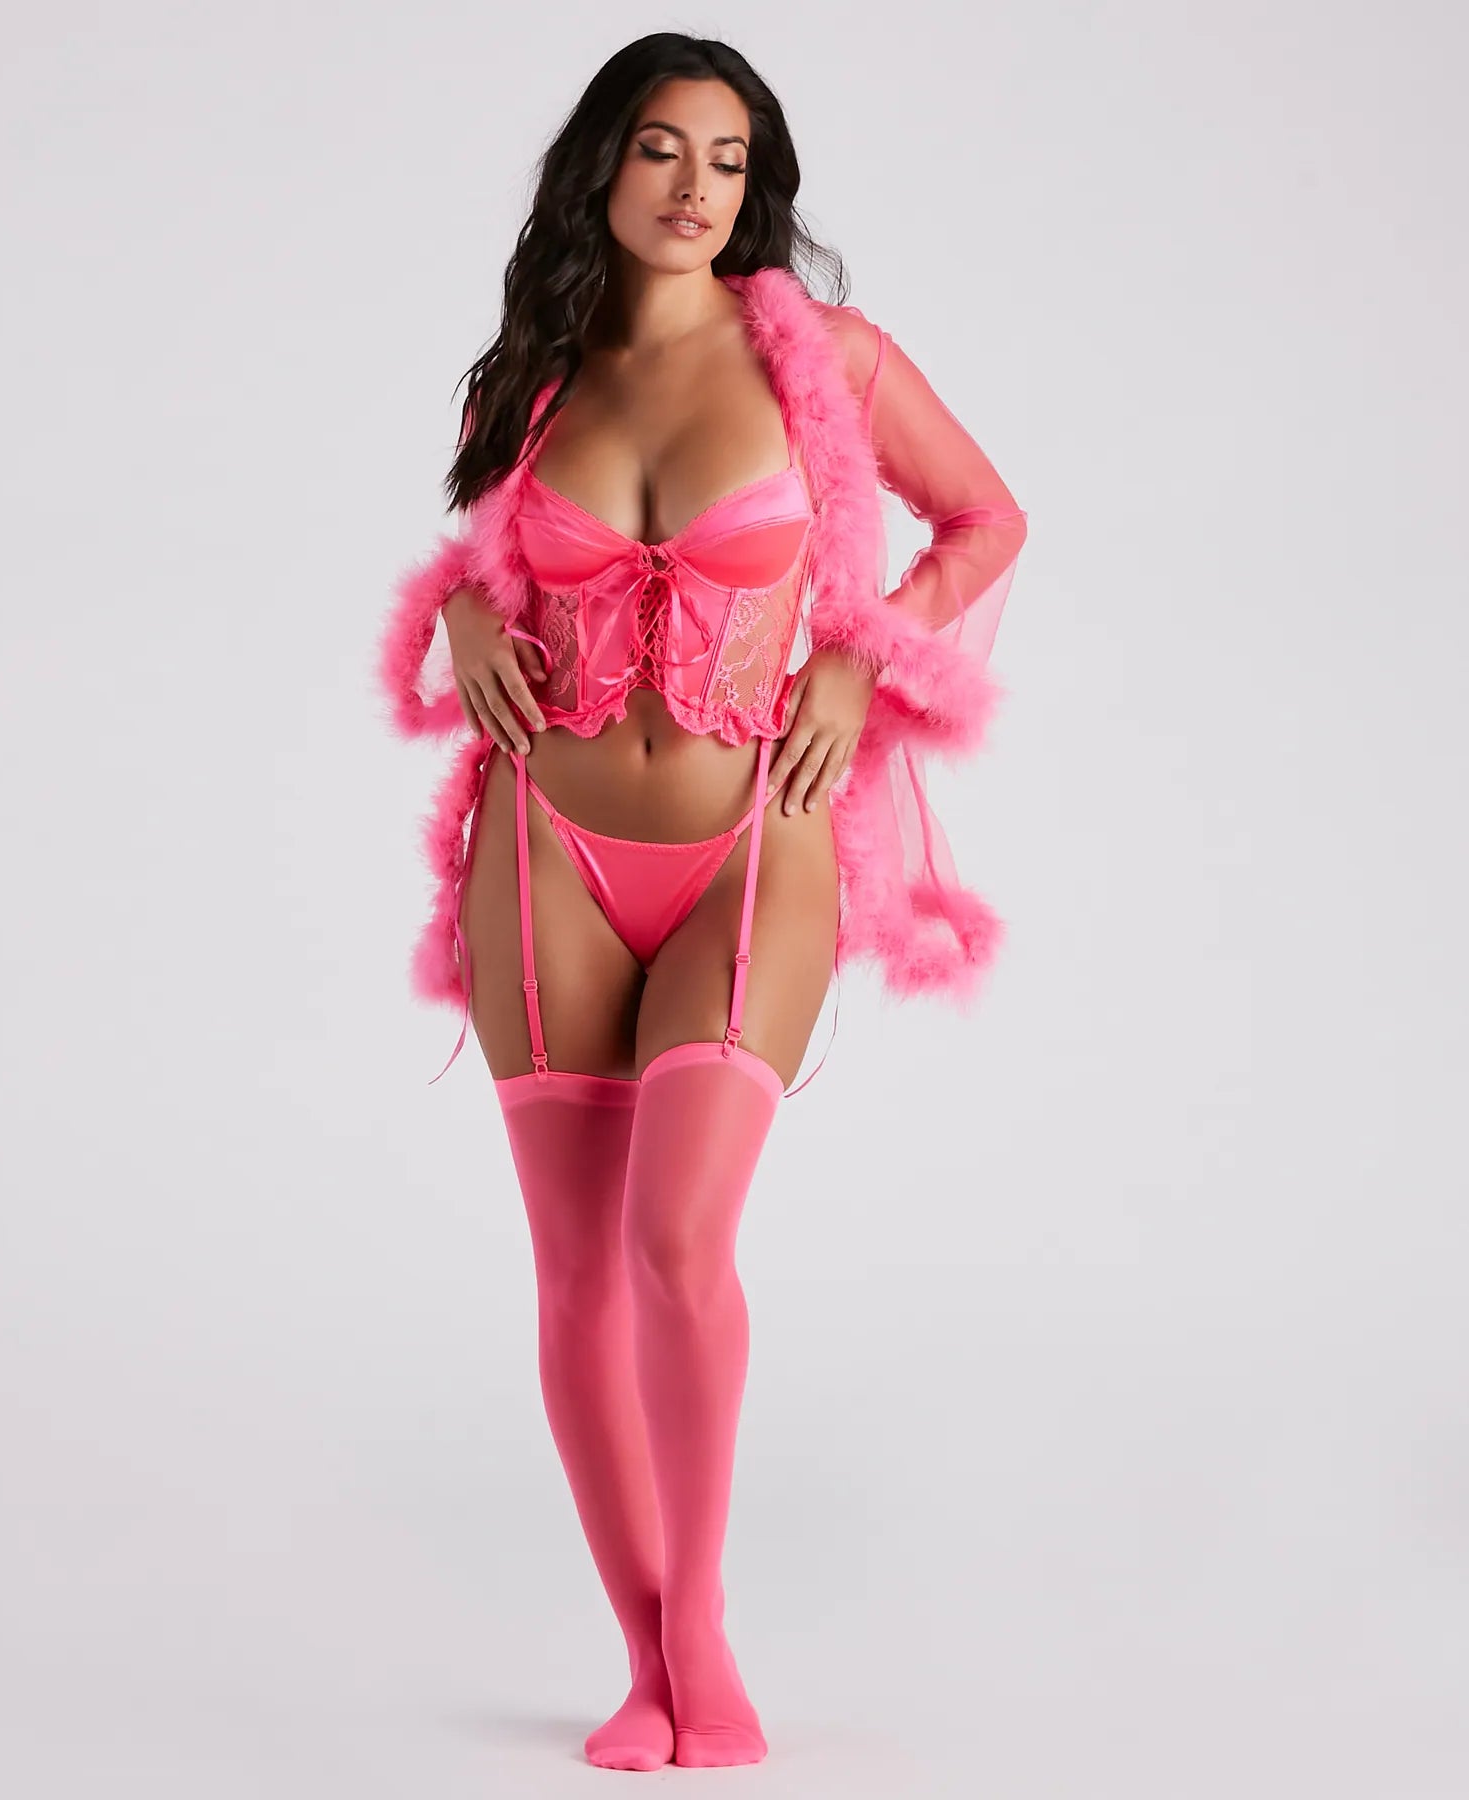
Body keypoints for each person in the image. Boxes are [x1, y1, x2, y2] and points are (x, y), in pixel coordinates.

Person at [377, 33, 1028, 1772]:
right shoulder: (531, 376)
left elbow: (983, 519)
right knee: (576, 1276)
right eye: (661, 148)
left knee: (678, 1241)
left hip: (752, 846)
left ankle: (701, 1631)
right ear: (600, 165)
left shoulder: (827, 360)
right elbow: (490, 564)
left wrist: (855, 656)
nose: (693, 187)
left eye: (727, 160)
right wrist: (463, 614)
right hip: (543, 857)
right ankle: (638, 1653)